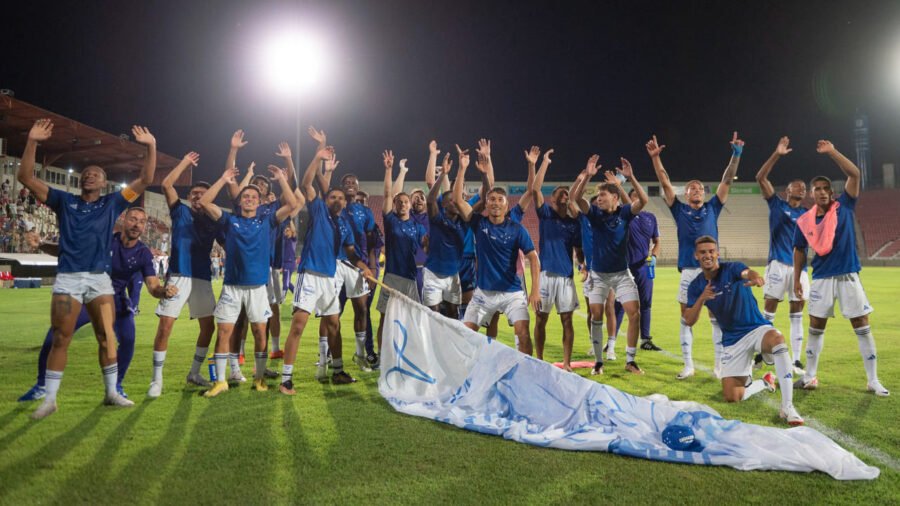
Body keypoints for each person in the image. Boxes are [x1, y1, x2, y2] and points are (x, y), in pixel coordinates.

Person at [18, 119, 158, 419]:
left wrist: (151, 146)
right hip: (68, 279)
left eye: (96, 174)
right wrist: (32, 141)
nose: (89, 175)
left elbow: (146, 178)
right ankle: (50, 398)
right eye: (86, 173)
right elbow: (25, 177)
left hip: (99, 281)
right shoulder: (63, 201)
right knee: (60, 337)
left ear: (104, 183)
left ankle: (111, 393)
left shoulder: (112, 204)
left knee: (106, 337)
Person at [18, 208, 177, 401]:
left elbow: (153, 286)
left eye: (142, 222)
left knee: (128, 339)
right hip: (88, 296)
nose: (137, 224)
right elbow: (70, 250)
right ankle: (42, 385)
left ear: (144, 227)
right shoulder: (103, 241)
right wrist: (41, 245)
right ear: (124, 221)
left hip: (116, 300)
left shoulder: (143, 253)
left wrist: (163, 292)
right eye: (133, 219)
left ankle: (116, 386)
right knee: (55, 335)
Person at [791, 141, 889, 397]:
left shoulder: (844, 206)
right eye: (818, 189)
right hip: (821, 277)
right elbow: (799, 250)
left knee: (861, 323)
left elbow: (854, 174)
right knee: (816, 325)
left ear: (832, 193)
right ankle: (810, 376)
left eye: (826, 188)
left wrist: (832, 152)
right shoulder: (804, 221)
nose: (822, 192)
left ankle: (873, 380)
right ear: (812, 194)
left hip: (847, 275)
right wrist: (797, 279)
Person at [647, 132, 743, 380]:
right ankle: (688, 365)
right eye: (692, 189)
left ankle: (719, 366)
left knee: (716, 319)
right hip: (689, 271)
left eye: (700, 188)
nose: (696, 191)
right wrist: (656, 158)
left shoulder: (713, 207)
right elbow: (664, 181)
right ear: (686, 194)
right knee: (686, 319)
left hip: (713, 272)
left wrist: (736, 155)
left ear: (704, 193)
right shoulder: (679, 210)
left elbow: (727, 179)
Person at [198, 161, 298, 397]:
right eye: (246, 196)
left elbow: (293, 204)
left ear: (259, 201)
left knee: (259, 333)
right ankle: (220, 381)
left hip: (257, 288)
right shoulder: (229, 220)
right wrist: (224, 179)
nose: (250, 199)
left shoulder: (267, 221)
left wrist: (282, 179)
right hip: (232, 287)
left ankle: (259, 378)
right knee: (224, 332)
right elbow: (204, 202)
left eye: (254, 196)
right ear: (240, 200)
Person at [280, 145, 373, 394]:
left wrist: (364, 267)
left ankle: (338, 371)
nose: (337, 200)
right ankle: (286, 379)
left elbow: (351, 253)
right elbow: (307, 182)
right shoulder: (318, 209)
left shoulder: (344, 224)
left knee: (334, 325)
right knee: (298, 326)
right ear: (326, 199)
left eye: (341, 198)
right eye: (333, 197)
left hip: (329, 279)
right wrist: (317, 157)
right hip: (310, 275)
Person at [685, 235, 804, 425]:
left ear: (717, 253)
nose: (707, 255)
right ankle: (764, 382)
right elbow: (689, 320)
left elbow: (747, 273)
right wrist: (701, 299)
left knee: (777, 339)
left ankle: (787, 407)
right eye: (703, 252)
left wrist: (755, 277)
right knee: (732, 396)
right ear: (696, 256)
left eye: (711, 251)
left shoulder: (732, 268)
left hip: (756, 328)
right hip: (733, 341)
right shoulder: (696, 285)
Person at [453, 151, 540, 355]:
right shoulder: (478, 223)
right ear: (486, 203)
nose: (495, 202)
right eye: (491, 199)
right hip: (483, 293)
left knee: (523, 334)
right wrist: (462, 168)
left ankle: (523, 370)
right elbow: (457, 201)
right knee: (466, 335)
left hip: (512, 292)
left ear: (506, 204)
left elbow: (533, 258)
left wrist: (535, 290)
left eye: (500, 199)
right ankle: (472, 369)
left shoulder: (517, 228)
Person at [148, 152, 220, 397]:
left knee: (208, 327)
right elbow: (166, 185)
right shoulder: (180, 211)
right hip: (179, 275)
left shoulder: (214, 221)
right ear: (189, 197)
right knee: (166, 326)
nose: (198, 197)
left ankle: (194, 373)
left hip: (202, 277)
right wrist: (185, 163)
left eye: (203, 194)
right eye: (195, 193)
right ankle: (156, 380)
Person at [571, 156, 650, 376]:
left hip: (621, 274)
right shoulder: (594, 214)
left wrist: (631, 177)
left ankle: (630, 360)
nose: (599, 200)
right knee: (596, 316)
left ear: (615, 197)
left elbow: (643, 200)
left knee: (634, 313)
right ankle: (598, 362)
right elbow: (576, 198)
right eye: (598, 197)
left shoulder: (624, 213)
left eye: (603, 196)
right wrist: (587, 176)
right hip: (598, 275)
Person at [754, 136, 809, 374]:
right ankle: (762, 352)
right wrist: (777, 153)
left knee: (797, 314)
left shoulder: (808, 213)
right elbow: (760, 177)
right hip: (777, 265)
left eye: (804, 187)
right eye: (798, 186)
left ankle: (796, 360)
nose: (802, 188)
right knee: (769, 311)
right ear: (787, 190)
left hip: (800, 269)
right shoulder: (776, 204)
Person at [528, 146, 581, 370]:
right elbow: (535, 189)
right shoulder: (546, 214)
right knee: (541, 319)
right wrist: (544, 163)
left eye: (567, 194)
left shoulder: (573, 223)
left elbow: (579, 249)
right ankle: (539, 360)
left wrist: (583, 266)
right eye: (561, 193)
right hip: (546, 275)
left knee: (567, 320)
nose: (565, 195)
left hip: (566, 278)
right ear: (552, 199)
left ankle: (567, 363)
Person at [376, 150, 428, 351]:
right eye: (400, 202)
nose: (404, 204)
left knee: (414, 318)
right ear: (396, 205)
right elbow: (388, 193)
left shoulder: (418, 227)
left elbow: (426, 246)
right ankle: (383, 356)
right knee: (385, 318)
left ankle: (413, 354)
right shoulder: (390, 220)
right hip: (391, 277)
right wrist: (389, 170)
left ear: (409, 205)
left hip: (410, 278)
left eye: (406, 202)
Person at [613, 188, 662, 352]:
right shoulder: (625, 214)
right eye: (635, 196)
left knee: (646, 303)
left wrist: (654, 256)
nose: (638, 199)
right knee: (619, 304)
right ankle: (611, 341)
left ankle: (645, 340)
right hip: (624, 267)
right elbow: (629, 204)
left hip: (644, 267)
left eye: (640, 196)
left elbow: (657, 241)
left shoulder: (651, 217)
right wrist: (618, 185)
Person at [422, 152, 466, 318]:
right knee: (433, 317)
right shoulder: (437, 219)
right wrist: (442, 175)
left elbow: (483, 199)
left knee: (453, 315)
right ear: (444, 204)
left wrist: (462, 168)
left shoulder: (465, 220)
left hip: (453, 275)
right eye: (453, 200)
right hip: (433, 274)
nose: (457, 202)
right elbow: (430, 200)